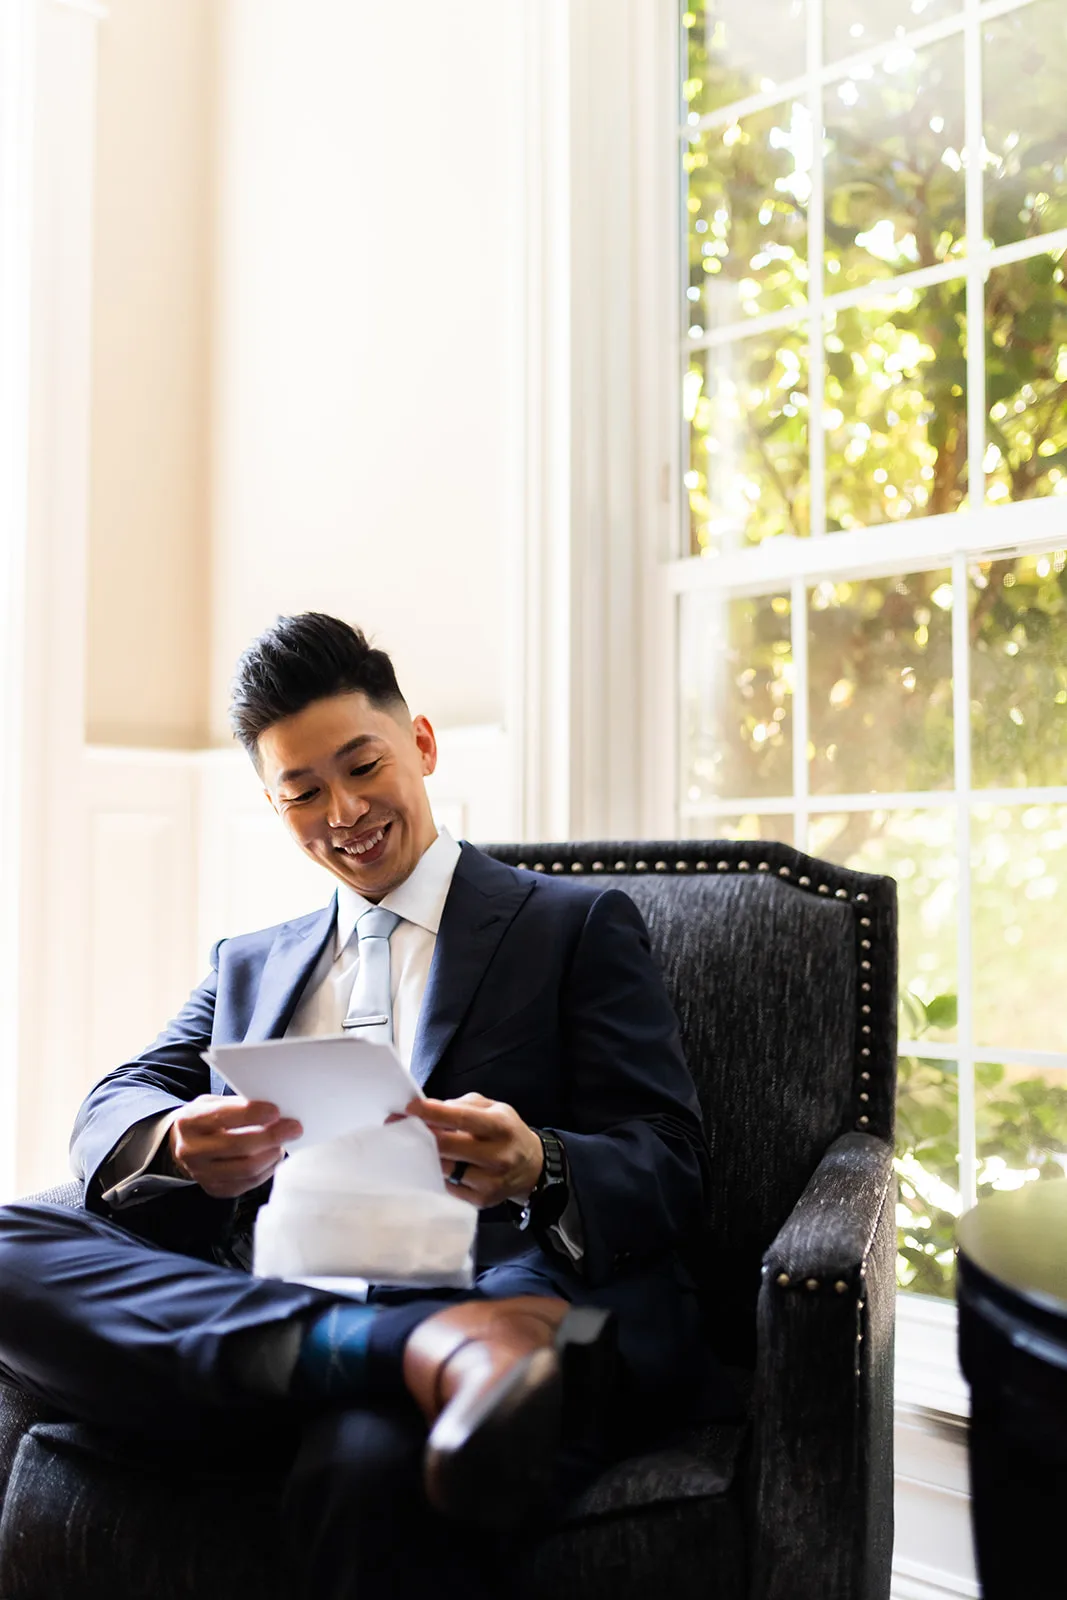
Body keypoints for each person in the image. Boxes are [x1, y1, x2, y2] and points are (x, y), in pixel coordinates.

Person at [0, 613, 716, 1599]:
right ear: (272, 802)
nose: (342, 810)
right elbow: (114, 1098)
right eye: (302, 792)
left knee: (365, 1465)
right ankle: (407, 1354)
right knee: (8, 1240)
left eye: (361, 766)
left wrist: (537, 1160)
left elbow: (669, 1156)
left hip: (488, 1285)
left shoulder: (569, 925)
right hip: (277, 1297)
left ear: (418, 744)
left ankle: (438, 1347)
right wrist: (171, 1140)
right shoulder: (249, 963)